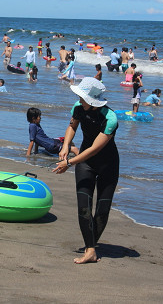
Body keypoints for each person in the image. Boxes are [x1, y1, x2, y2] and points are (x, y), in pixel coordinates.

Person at [52, 77, 119, 264]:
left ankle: (91, 246)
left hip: (108, 165)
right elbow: (72, 126)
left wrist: (70, 163)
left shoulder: (110, 118)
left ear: (92, 100)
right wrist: (65, 146)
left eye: (82, 97)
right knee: (84, 207)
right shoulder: (78, 108)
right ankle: (90, 250)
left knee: (102, 211)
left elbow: (94, 149)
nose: (79, 99)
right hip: (85, 164)